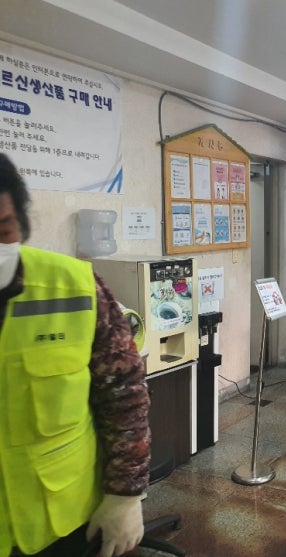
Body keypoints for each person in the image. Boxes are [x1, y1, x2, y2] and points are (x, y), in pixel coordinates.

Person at [0, 154, 151, 557]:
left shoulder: (72, 285)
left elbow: (124, 395)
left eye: (3, 229)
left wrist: (126, 496)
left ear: (21, 224)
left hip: (63, 519)